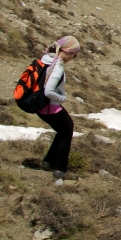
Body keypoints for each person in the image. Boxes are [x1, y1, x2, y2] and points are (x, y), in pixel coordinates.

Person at [35, 35, 81, 180]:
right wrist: (62, 98)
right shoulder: (58, 66)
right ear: (67, 52)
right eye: (74, 55)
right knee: (67, 130)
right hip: (50, 106)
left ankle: (49, 161)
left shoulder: (46, 58)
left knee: (63, 130)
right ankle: (60, 168)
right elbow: (49, 91)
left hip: (40, 105)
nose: (74, 58)